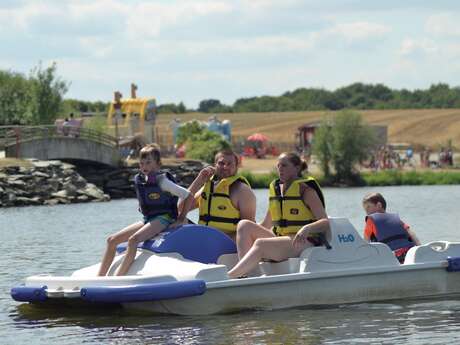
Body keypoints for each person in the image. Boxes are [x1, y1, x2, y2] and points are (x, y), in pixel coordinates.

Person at [97, 144, 194, 276]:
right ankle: (100, 277)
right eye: (142, 163)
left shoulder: (163, 182)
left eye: (148, 162)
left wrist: (182, 218)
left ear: (158, 164)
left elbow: (188, 195)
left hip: (164, 218)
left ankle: (118, 277)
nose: (144, 166)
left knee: (133, 240)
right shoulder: (142, 180)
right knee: (111, 240)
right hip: (148, 219)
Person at [227, 152, 328, 279]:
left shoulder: (306, 191)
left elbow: (325, 222)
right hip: (282, 238)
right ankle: (248, 274)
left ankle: (229, 277)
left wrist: (307, 228)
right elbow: (266, 225)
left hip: (303, 241)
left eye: (284, 165)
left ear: (297, 168)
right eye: (278, 165)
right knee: (244, 225)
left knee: (261, 244)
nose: (280, 169)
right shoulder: (278, 193)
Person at [185, 150, 256, 240]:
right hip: (204, 238)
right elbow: (181, 209)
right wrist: (198, 181)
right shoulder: (207, 187)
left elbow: (248, 230)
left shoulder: (243, 190)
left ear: (236, 167)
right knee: (173, 219)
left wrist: (220, 242)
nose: (225, 167)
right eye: (221, 163)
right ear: (215, 165)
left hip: (228, 243)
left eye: (229, 164)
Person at [362, 192, 420, 263]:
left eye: (368, 207)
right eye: (365, 209)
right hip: (409, 253)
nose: (366, 211)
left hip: (391, 257)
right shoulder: (396, 219)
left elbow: (365, 243)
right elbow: (411, 234)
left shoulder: (370, 220)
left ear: (379, 205)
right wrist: (419, 248)